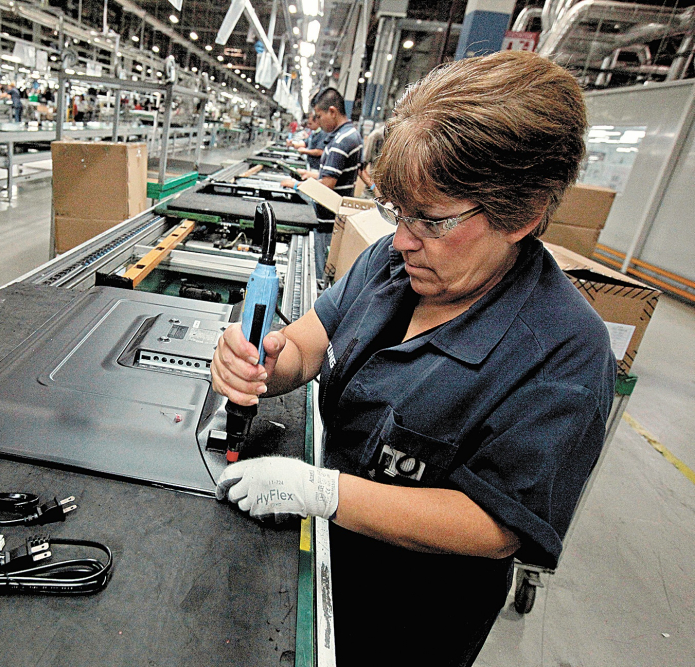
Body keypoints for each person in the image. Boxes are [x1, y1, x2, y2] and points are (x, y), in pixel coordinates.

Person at [212, 51, 615, 667]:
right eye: (399, 212)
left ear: (523, 217)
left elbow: (495, 524)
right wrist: (260, 361)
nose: (402, 239)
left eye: (430, 219)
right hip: (319, 562)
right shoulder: (393, 266)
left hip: (408, 622)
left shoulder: (563, 353)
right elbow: (305, 344)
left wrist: (324, 492)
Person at [282, 88, 362, 276]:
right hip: (334, 218)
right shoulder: (350, 135)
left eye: (319, 116)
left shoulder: (341, 141)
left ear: (332, 112)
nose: (318, 121)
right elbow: (334, 177)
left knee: (320, 273)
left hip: (328, 221)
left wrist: (296, 186)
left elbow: (327, 186)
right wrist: (311, 176)